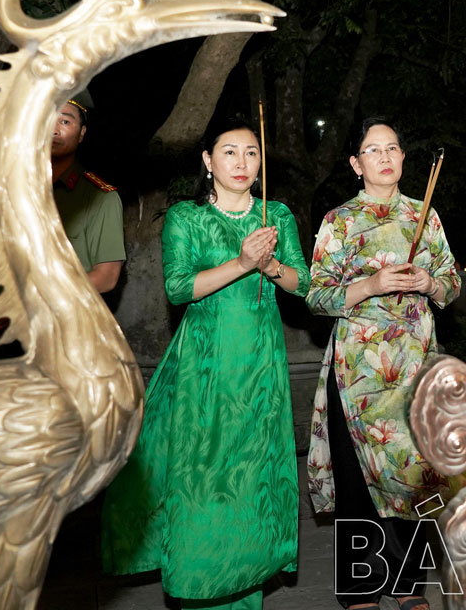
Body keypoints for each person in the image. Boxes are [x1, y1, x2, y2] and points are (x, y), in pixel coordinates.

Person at [101, 116, 308, 610]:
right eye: (230, 152)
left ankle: (246, 589)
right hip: (205, 368)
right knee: (203, 478)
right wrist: (240, 263)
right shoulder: (185, 218)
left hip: (260, 367)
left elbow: (302, 283)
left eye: (252, 152)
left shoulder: (275, 215)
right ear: (207, 161)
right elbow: (177, 287)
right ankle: (199, 587)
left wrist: (271, 265)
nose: (242, 162)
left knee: (253, 478)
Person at [305, 118, 466, 610]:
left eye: (392, 147)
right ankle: (359, 591)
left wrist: (430, 285)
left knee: (414, 476)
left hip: (414, 363)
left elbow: (452, 284)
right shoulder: (339, 220)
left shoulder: (425, 214)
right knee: (359, 480)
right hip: (358, 371)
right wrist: (372, 286)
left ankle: (409, 587)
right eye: (372, 150)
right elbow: (316, 296)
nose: (385, 156)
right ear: (356, 165)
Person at [0, 91, 125, 310]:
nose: (54, 129)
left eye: (65, 121)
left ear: (81, 133)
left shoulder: (99, 197)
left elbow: (106, 277)